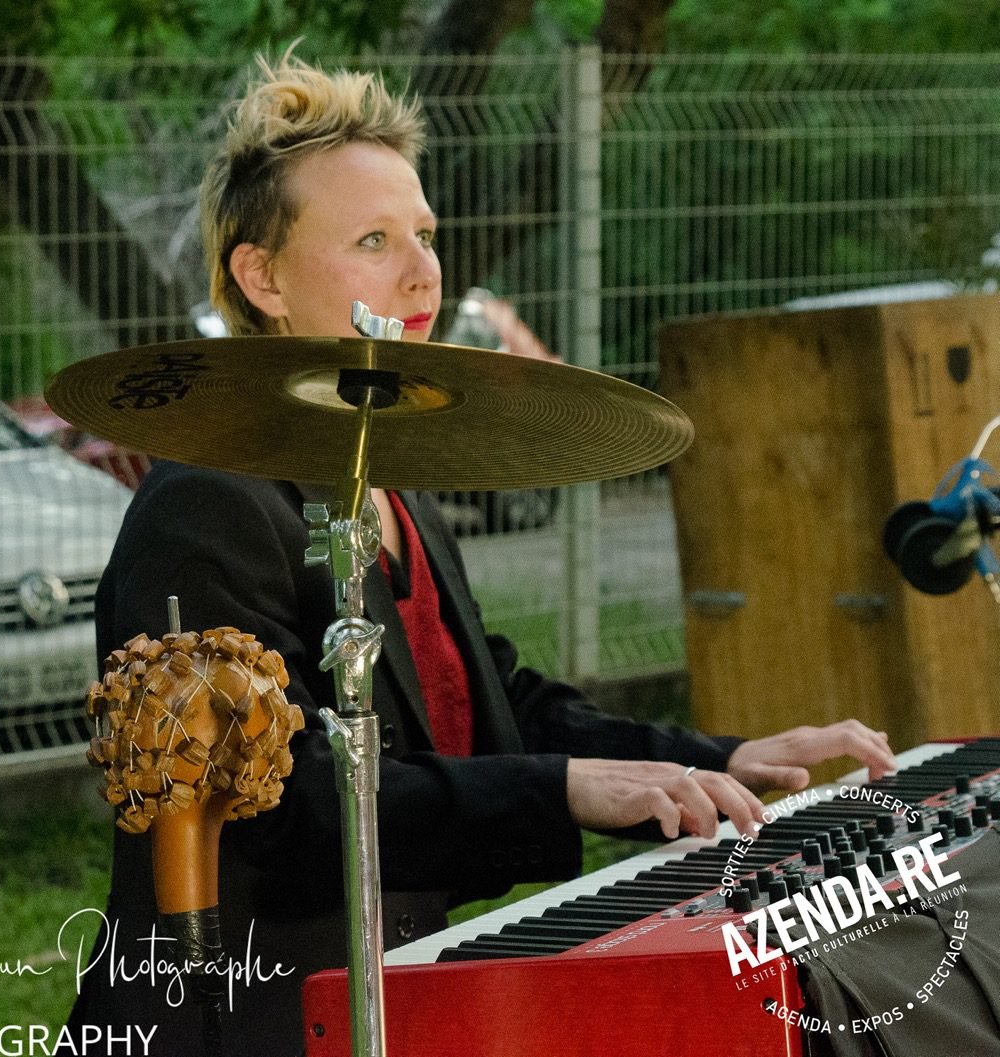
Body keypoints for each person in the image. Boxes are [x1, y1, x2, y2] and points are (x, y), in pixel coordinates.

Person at [64, 53, 896, 1056]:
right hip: (238, 1017)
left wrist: (714, 761)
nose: (423, 273)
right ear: (261, 276)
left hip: (394, 985)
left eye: (424, 235)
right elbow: (279, 807)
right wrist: (560, 788)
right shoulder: (205, 501)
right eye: (373, 240)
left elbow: (488, 703)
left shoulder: (387, 477)